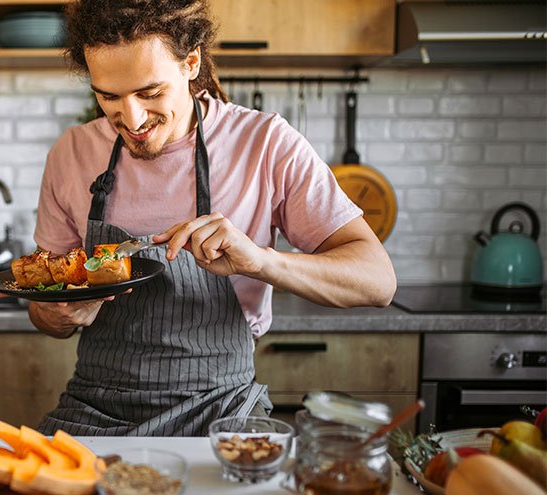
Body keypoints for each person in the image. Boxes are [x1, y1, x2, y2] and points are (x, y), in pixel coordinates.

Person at [27, 0, 396, 436]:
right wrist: (61, 314)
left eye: (150, 93)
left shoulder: (265, 145)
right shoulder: (71, 154)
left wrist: (260, 261)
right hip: (94, 408)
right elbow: (41, 308)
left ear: (191, 62)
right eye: (109, 96)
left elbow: (378, 281)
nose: (132, 118)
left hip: (222, 410)